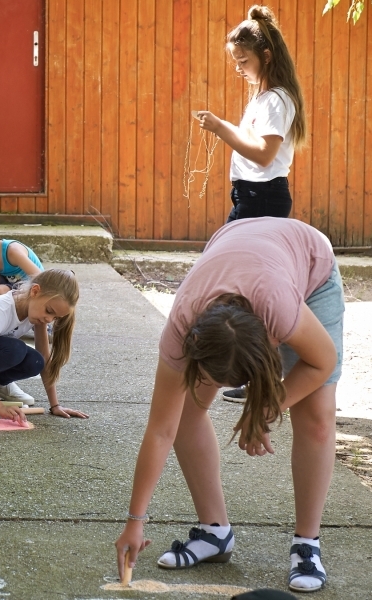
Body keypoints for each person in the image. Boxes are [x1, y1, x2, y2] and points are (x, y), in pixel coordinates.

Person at [114, 218, 343, 594]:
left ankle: (307, 544)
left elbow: (323, 361)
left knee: (316, 416)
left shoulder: (279, 309)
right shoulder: (182, 328)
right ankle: (215, 533)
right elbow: (160, 430)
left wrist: (265, 409)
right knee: (187, 411)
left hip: (307, 262)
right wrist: (134, 521)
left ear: (270, 342)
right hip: (241, 252)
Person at [195, 5, 306, 404]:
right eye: (236, 62)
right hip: (250, 195)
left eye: (243, 61)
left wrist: (220, 127)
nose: (239, 68)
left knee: (246, 285)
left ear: (267, 56)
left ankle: (260, 372)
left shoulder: (276, 100)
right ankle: (255, 371)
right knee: (243, 284)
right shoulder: (264, 98)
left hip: (263, 197)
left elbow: (263, 154)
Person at [0, 269, 88, 421]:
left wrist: (55, 406)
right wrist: (0, 408)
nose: (49, 319)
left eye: (55, 317)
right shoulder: (0, 309)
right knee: (16, 349)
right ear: (35, 291)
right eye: (49, 311)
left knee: (36, 361)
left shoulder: (37, 313)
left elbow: (44, 359)